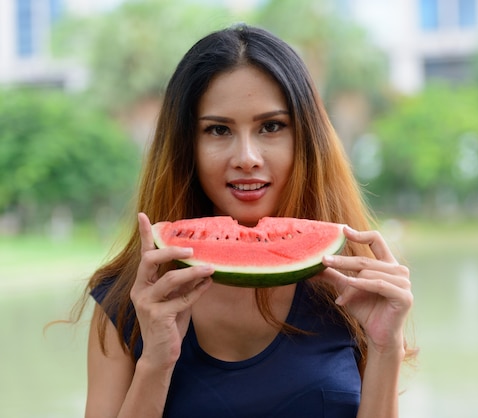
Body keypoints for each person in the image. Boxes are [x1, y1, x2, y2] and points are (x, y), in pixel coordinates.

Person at [80, 24, 414, 418]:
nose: (247, 157)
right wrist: (156, 361)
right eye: (218, 130)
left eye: (271, 126)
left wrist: (385, 347)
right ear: (187, 145)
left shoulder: (356, 288)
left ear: (305, 138)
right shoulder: (125, 302)